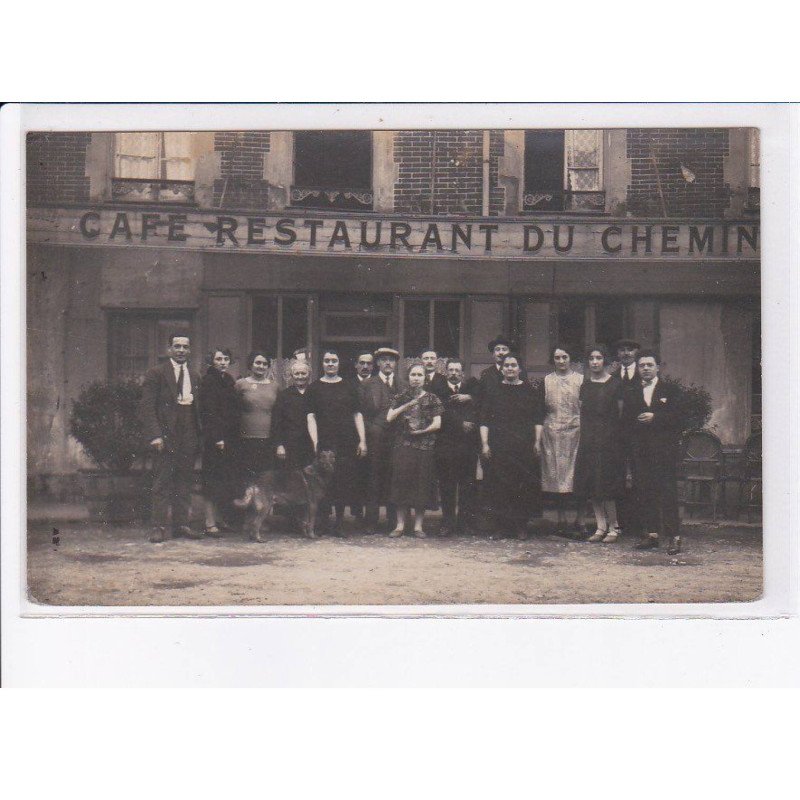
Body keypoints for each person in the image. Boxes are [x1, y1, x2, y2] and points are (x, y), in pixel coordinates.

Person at [139, 333, 202, 543]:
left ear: (190, 350)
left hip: (188, 433)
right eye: (177, 346)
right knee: (162, 481)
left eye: (185, 346)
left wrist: (197, 436)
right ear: (169, 350)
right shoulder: (156, 373)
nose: (181, 350)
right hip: (166, 434)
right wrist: (155, 435)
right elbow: (148, 407)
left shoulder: (194, 375)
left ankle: (181, 524)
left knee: (184, 480)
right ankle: (158, 527)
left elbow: (197, 408)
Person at [622, 349, 684, 555]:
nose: (646, 368)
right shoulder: (631, 391)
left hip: (664, 452)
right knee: (645, 492)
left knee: (667, 493)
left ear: (658, 367)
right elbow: (626, 422)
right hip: (641, 452)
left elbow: (679, 418)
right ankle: (652, 535)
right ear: (637, 368)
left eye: (649, 365)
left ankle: (674, 537)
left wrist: (655, 418)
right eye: (642, 365)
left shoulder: (671, 390)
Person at [479, 354, 543, 539]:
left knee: (522, 486)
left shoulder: (529, 391)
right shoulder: (494, 391)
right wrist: (485, 444)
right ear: (503, 369)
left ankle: (520, 526)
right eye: (507, 365)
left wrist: (537, 442)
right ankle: (501, 527)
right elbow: (484, 420)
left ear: (520, 369)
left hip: (523, 447)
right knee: (500, 486)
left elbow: (537, 419)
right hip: (499, 446)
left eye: (513, 365)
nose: (510, 368)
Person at [306, 349, 368, 535]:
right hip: (324, 443)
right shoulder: (314, 387)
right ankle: (324, 522)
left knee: (343, 481)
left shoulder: (349, 386)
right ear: (322, 364)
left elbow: (357, 414)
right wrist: (315, 442)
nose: (330, 364)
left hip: (346, 442)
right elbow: (311, 416)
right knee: (323, 482)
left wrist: (362, 440)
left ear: (339, 364)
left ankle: (340, 523)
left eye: (334, 360)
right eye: (327, 361)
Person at [573, 344, 625, 544]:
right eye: (592, 358)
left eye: (599, 358)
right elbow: (582, 413)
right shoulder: (585, 386)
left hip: (609, 441)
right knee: (591, 485)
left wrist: (613, 440)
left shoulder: (615, 384)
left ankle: (614, 526)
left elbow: (620, 415)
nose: (595, 362)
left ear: (606, 361)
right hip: (589, 440)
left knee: (607, 486)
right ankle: (600, 526)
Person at [386, 363, 443, 538]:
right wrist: (407, 404)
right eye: (413, 375)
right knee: (401, 483)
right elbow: (389, 417)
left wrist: (421, 432)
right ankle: (400, 525)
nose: (416, 378)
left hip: (424, 447)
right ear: (408, 377)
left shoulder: (433, 398)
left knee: (421, 485)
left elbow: (437, 423)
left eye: (419, 375)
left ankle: (418, 526)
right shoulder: (401, 396)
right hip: (403, 446)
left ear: (425, 378)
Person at [538, 344, 584, 538]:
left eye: (564, 357)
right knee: (556, 478)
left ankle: (579, 521)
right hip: (552, 433)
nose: (561, 361)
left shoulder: (580, 380)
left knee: (577, 477)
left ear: (570, 359)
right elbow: (541, 408)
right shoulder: (547, 381)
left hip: (576, 432)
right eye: (557, 358)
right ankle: (561, 520)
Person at [360, 347, 404, 530]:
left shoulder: (403, 385)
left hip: (397, 440)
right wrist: (372, 431)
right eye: (384, 360)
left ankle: (393, 522)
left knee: (394, 478)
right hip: (375, 438)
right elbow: (361, 414)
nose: (388, 363)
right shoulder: (367, 384)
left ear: (395, 364)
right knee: (373, 478)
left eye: (391, 360)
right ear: (377, 363)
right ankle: (371, 521)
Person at [434, 358, 480, 536]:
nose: (454, 373)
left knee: (467, 485)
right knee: (447, 485)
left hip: (468, 445)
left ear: (462, 373)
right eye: (450, 370)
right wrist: (461, 423)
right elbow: (439, 413)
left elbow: (481, 409)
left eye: (457, 370)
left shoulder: (471, 390)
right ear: (446, 372)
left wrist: (472, 421)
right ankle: (447, 522)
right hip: (446, 444)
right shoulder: (438, 390)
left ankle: (465, 522)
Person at [198, 346, 239, 536]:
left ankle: (220, 519)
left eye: (226, 359)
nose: (223, 362)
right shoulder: (208, 381)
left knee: (224, 480)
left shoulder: (228, 380)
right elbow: (209, 412)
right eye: (219, 359)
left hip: (230, 438)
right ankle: (209, 522)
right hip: (216, 439)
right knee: (211, 480)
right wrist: (217, 438)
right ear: (211, 361)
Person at [234, 350, 279, 488]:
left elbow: (278, 413)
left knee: (264, 477)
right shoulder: (240, 384)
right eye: (258, 362)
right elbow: (233, 411)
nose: (261, 366)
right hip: (245, 438)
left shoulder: (274, 386)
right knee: (246, 478)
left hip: (267, 439)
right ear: (251, 364)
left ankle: (263, 508)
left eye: (265, 364)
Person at [612, 337, 642, 539]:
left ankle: (638, 524)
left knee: (639, 475)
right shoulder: (612, 377)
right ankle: (621, 522)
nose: (626, 353)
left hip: (639, 434)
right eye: (622, 350)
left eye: (630, 350)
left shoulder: (643, 374)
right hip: (616, 435)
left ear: (636, 353)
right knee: (618, 477)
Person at [273, 360, 314, 469]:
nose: (300, 376)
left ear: (309, 375)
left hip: (311, 446)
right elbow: (277, 422)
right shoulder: (284, 395)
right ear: (292, 376)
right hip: (290, 445)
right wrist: (279, 445)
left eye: (303, 373)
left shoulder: (315, 393)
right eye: (297, 373)